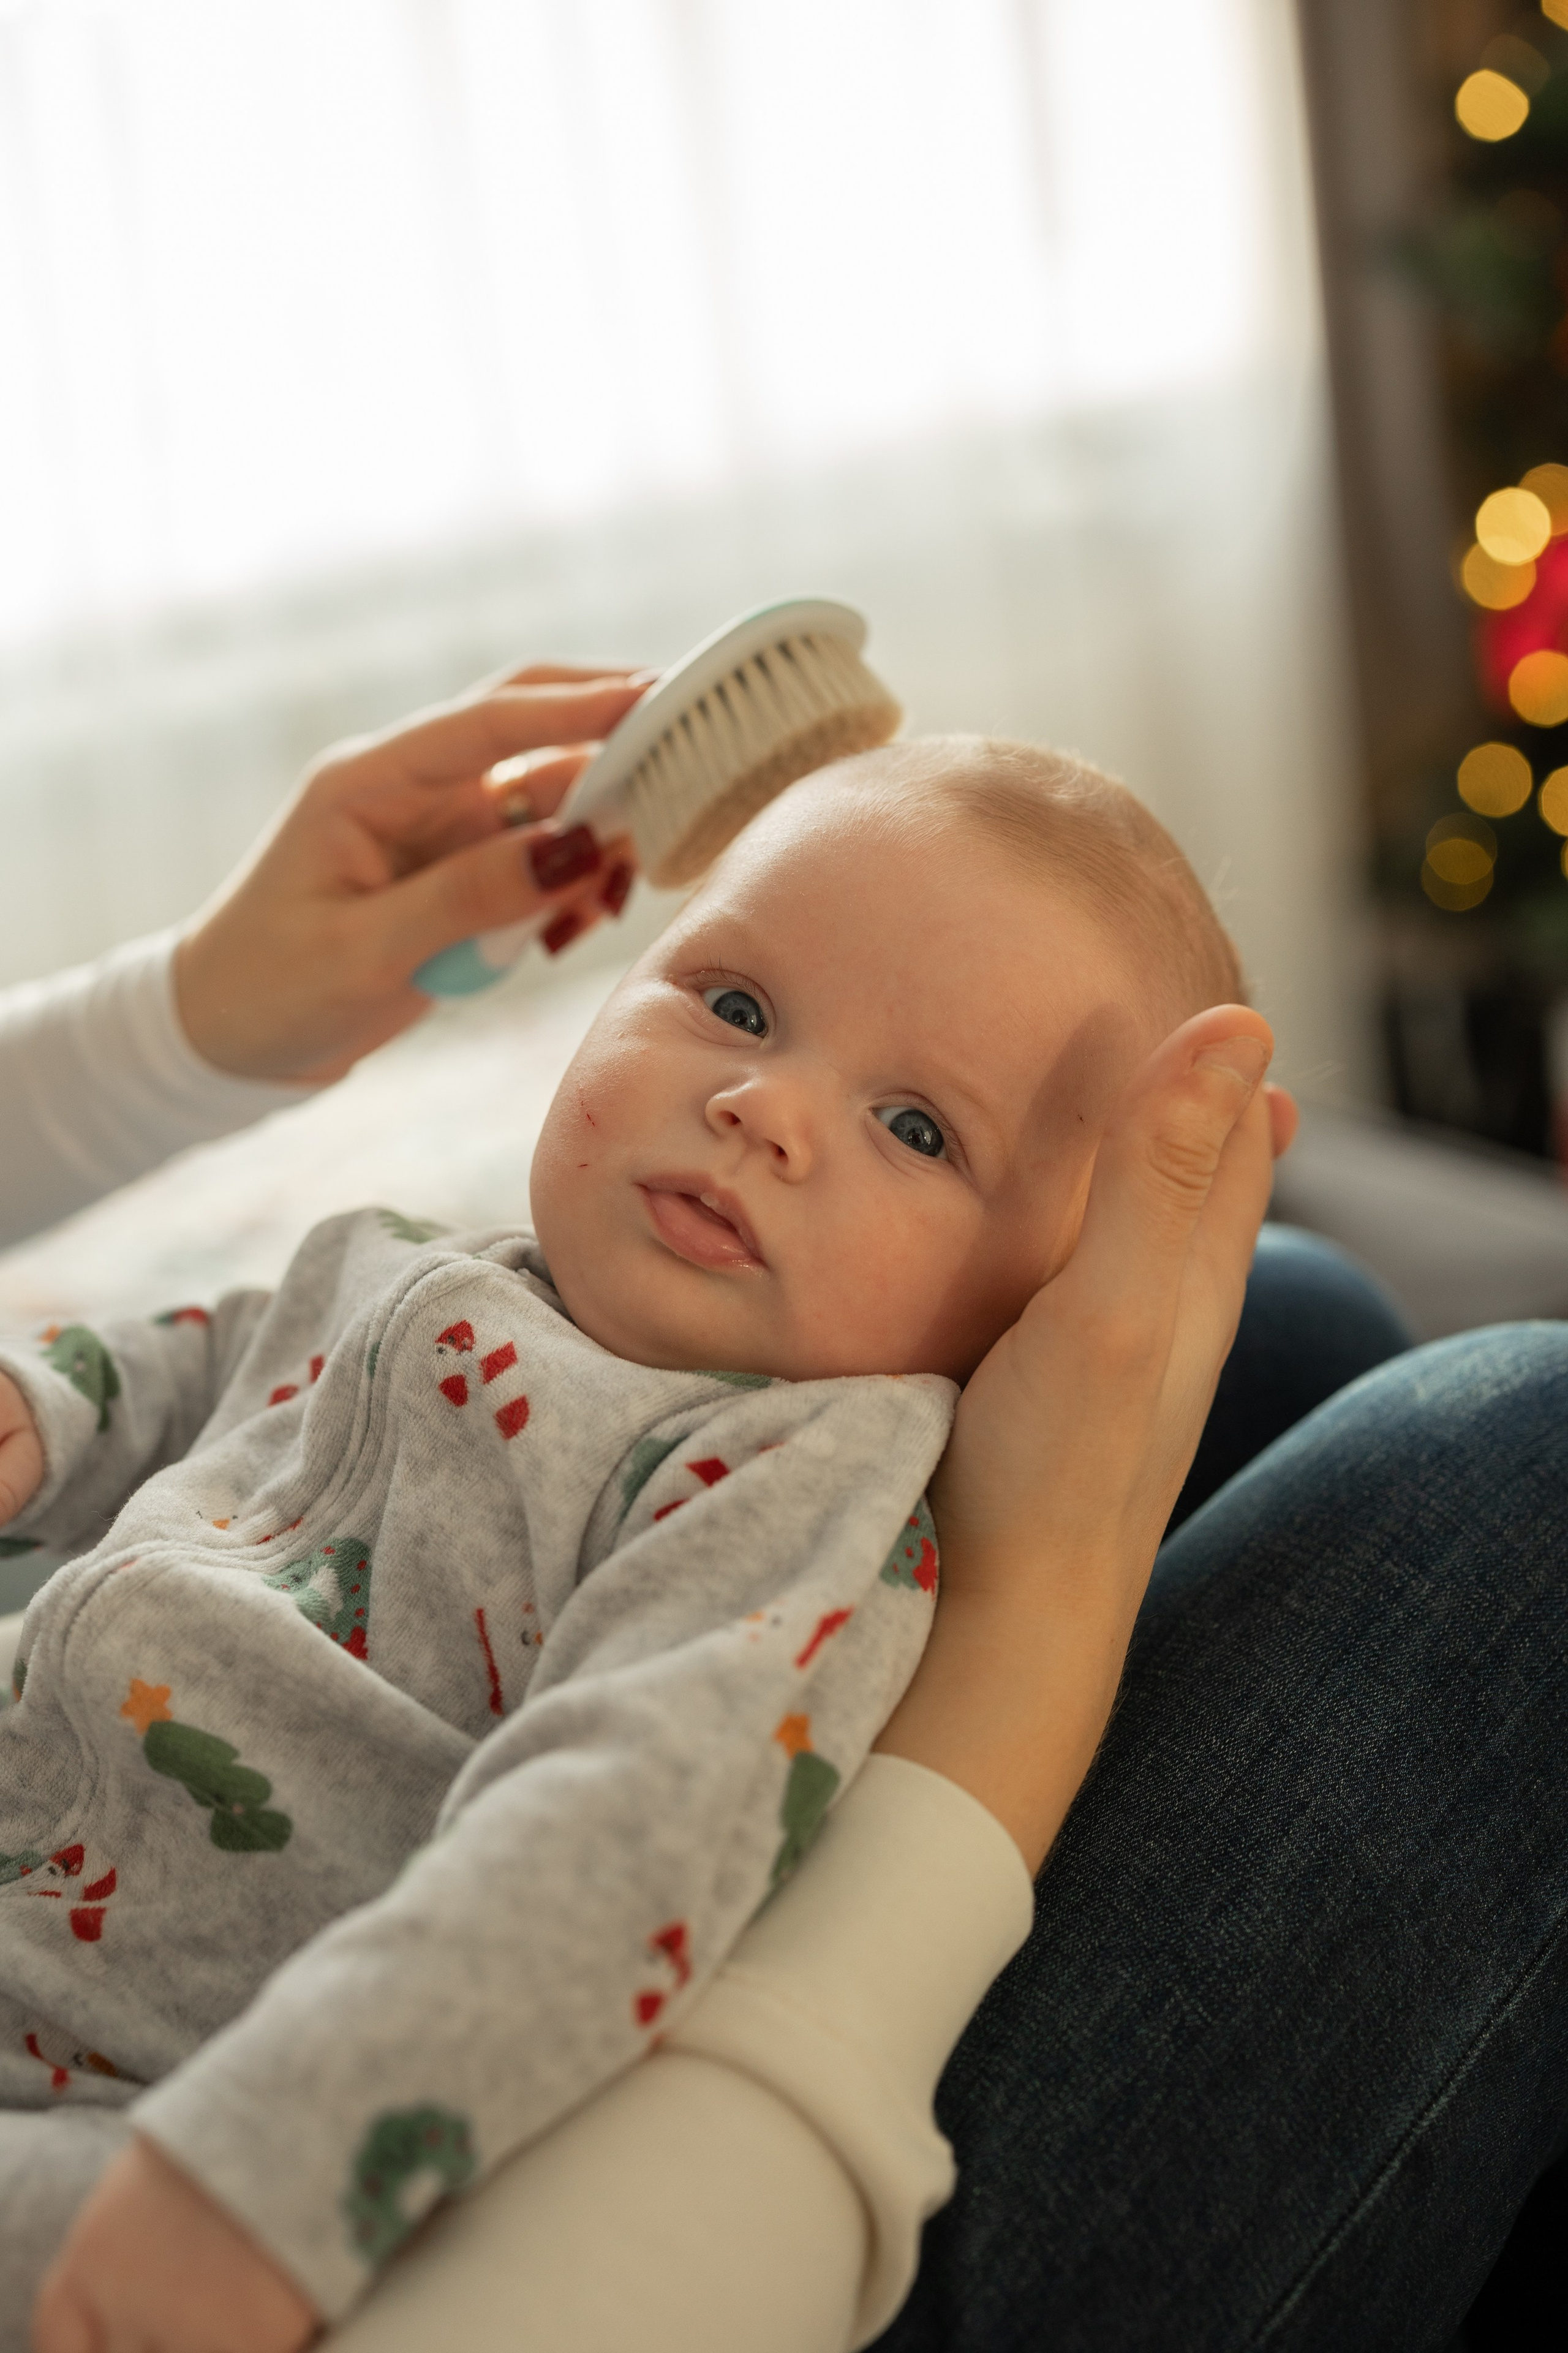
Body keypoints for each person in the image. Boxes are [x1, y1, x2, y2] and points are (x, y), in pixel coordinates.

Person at [0, 735, 1284, 2339]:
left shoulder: (783, 1481)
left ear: (1041, 1314)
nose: (763, 1108)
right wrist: (51, 1404)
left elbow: (607, 1844)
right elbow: (227, 1348)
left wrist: (261, 2171)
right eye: (735, 1006)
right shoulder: (435, 1259)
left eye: (916, 1128)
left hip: (140, 2093)